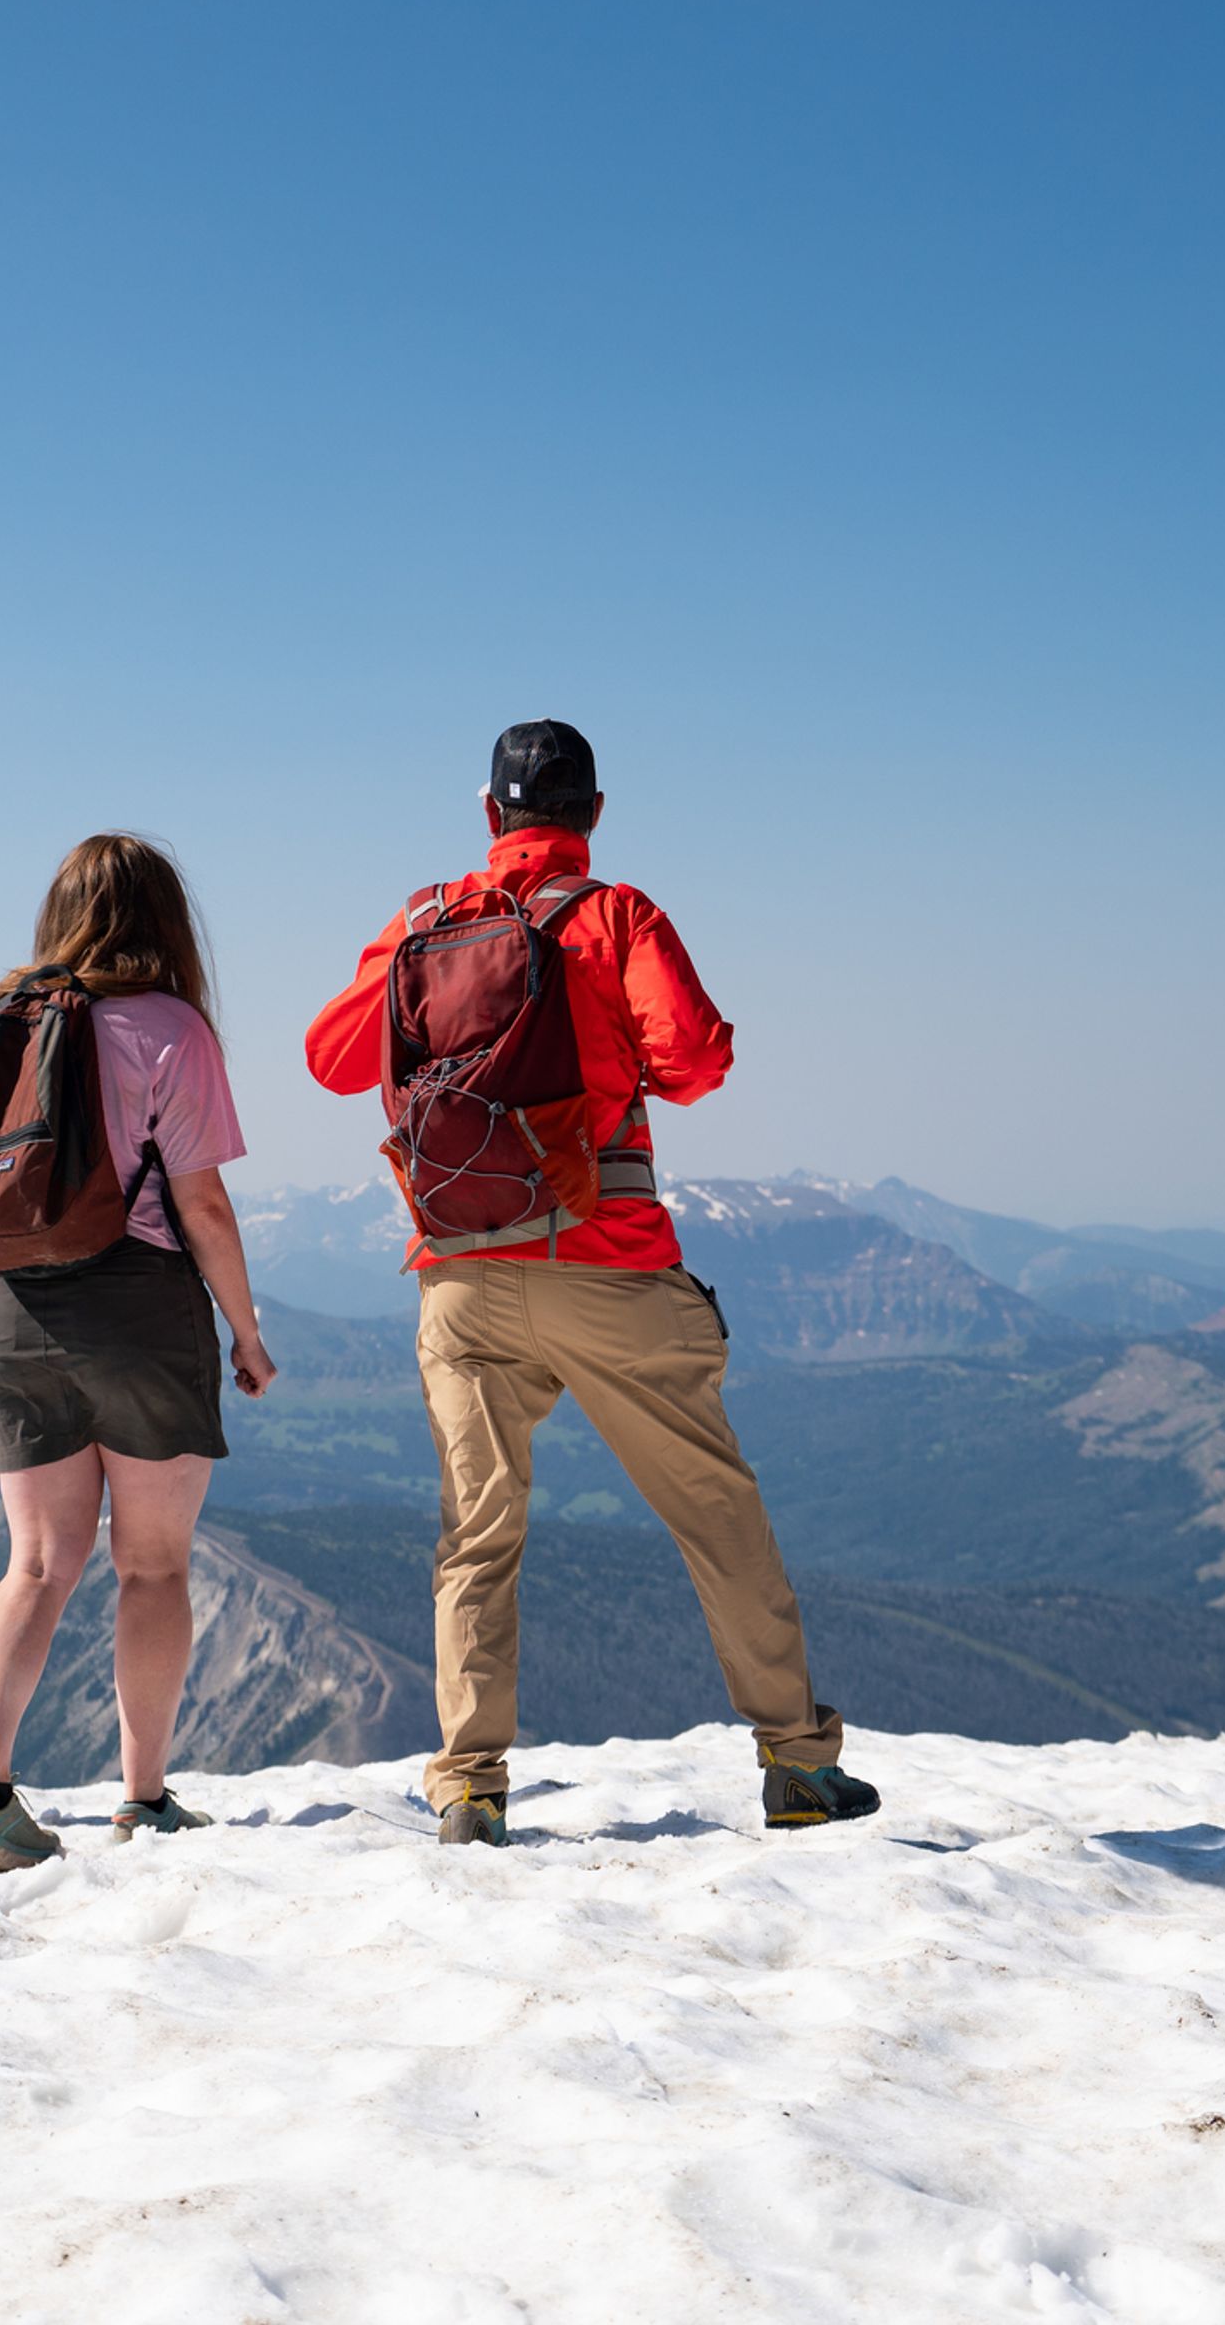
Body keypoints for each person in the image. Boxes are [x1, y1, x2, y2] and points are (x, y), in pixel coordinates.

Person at [305, 723, 879, 1844]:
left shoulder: (424, 922)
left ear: (489, 814)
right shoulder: (616, 916)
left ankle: (469, 1782)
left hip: (461, 1271)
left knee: (477, 1533)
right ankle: (797, 1765)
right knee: (716, 1511)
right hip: (607, 1257)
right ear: (594, 815)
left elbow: (332, 1059)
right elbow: (698, 1063)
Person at [0, 836, 276, 1873]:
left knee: (33, 1564)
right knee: (153, 1564)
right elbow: (202, 1201)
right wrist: (246, 1331)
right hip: (139, 1303)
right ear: (163, 921)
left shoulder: (9, 1019)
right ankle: (143, 1797)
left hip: (13, 1309)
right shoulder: (169, 1027)